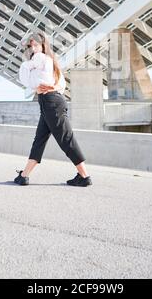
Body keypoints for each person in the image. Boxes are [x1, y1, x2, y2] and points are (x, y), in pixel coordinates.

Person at [14, 32, 92, 187]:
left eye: (36, 45)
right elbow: (61, 84)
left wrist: (37, 86)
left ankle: (84, 176)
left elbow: (24, 73)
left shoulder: (40, 58)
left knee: (66, 139)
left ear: (43, 44)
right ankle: (24, 176)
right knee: (39, 140)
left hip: (51, 102)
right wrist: (47, 86)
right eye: (32, 45)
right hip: (50, 101)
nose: (34, 48)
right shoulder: (51, 61)